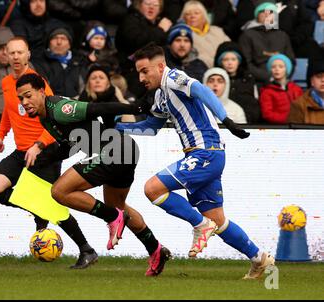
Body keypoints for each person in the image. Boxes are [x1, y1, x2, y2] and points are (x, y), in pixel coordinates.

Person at [116, 43, 275, 279]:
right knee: (217, 220)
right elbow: (151, 128)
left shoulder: (173, 77)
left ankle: (200, 225)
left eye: (144, 71)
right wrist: (118, 126)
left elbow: (201, 89)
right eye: (138, 72)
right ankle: (259, 258)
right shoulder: (160, 96)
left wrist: (226, 120)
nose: (141, 77)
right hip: (200, 156)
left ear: (160, 66)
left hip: (206, 152)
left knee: (152, 189)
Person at [15, 72, 172, 277]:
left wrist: (135, 108)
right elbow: (68, 146)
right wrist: (43, 158)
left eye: (28, 95)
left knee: (60, 191)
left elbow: (97, 108)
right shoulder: (45, 118)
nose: (25, 102)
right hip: (125, 151)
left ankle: (113, 217)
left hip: (115, 150)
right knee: (119, 206)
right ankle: (156, 249)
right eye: (21, 98)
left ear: (41, 92)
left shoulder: (60, 108)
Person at [0, 37, 98, 269]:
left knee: (52, 204)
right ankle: (38, 210)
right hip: (21, 152)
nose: (15, 57)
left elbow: (55, 120)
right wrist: (1, 133)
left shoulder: (38, 83)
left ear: (28, 56)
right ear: (6, 55)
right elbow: (9, 111)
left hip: (44, 152)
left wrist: (39, 145)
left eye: (20, 52)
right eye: (11, 52)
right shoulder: (7, 83)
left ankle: (87, 249)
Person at [237, 0, 295, 84]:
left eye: (271, 12)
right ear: (257, 16)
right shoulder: (247, 35)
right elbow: (246, 63)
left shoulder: (283, 35)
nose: (267, 15)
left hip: (282, 79)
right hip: (256, 81)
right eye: (263, 12)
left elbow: (291, 60)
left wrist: (282, 76)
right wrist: (268, 77)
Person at [32, 26, 87, 99]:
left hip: (77, 104)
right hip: (51, 104)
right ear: (49, 43)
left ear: (69, 45)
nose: (59, 42)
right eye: (55, 38)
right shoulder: (40, 63)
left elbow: (84, 88)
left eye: (63, 39)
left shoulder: (79, 63)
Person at [179, 0, 231, 68]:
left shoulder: (217, 30)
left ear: (204, 15)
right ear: (184, 18)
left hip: (226, 68)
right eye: (188, 14)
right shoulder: (184, 36)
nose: (192, 16)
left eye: (196, 13)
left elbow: (230, 48)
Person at [259, 54, 303, 124]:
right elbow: (267, 114)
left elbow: (302, 108)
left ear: (287, 69)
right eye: (273, 67)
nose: (277, 69)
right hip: (278, 128)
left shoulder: (296, 89)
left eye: (281, 66)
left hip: (297, 126)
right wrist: (289, 119)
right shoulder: (267, 91)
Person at [288, 59, 324, 124]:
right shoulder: (298, 105)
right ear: (312, 81)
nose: (323, 80)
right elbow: (293, 133)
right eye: (319, 76)